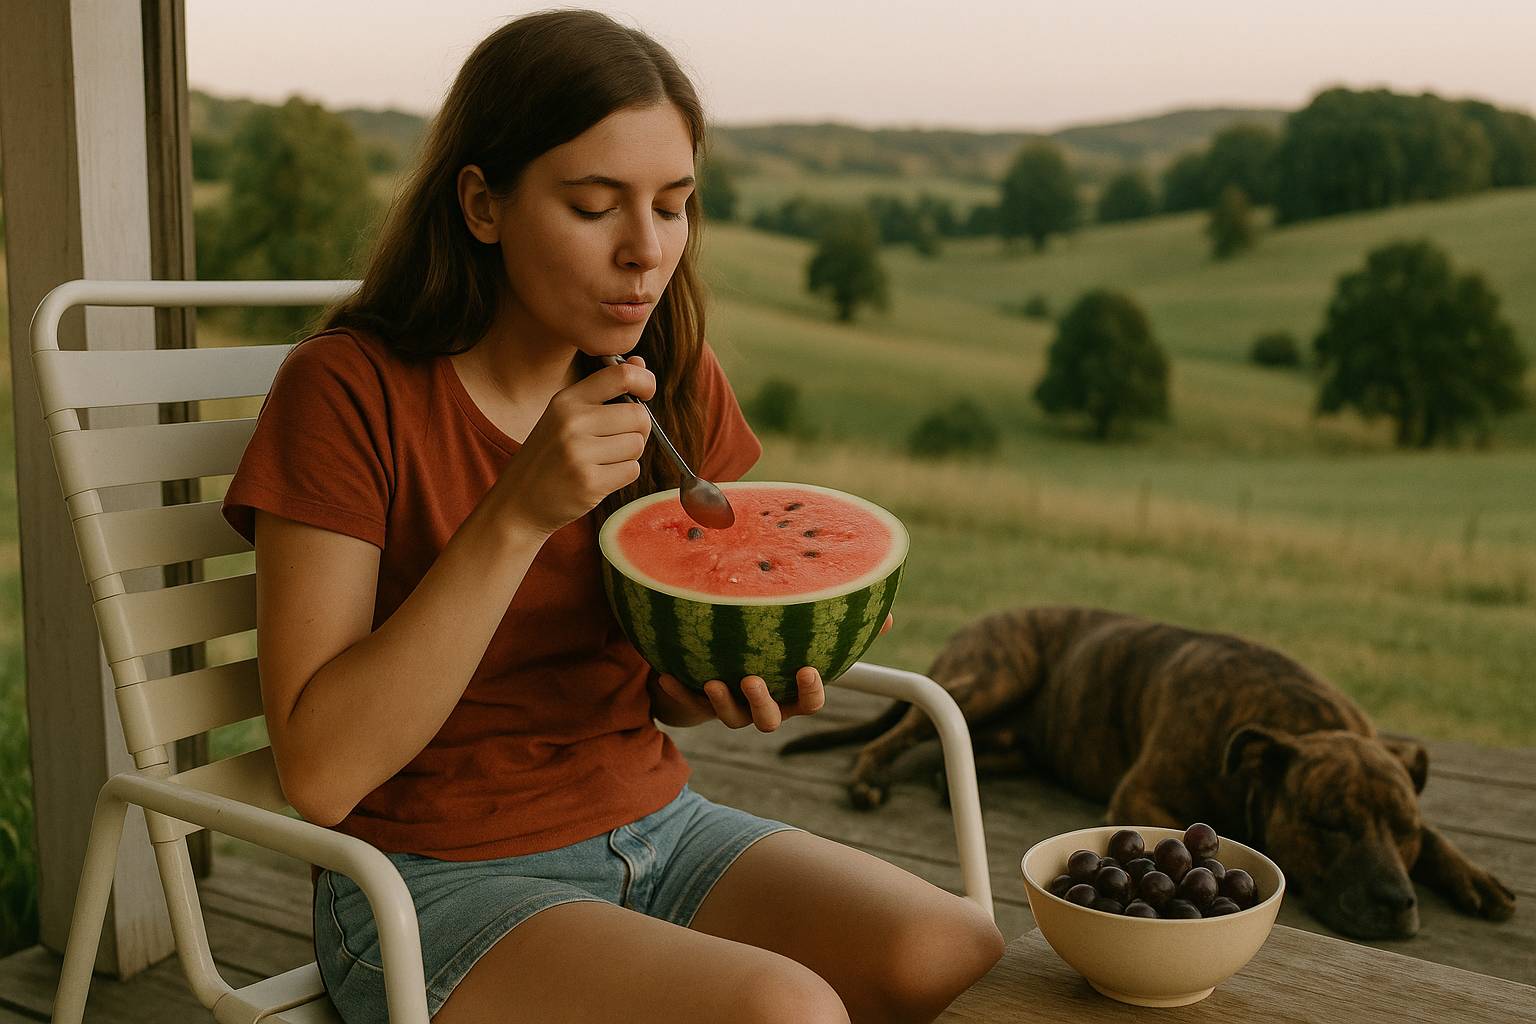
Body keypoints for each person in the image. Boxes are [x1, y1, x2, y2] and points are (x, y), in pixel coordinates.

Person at [221, 10, 1003, 1024]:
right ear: (483, 203)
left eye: (675, 206)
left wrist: (724, 675)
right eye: (596, 206)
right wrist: (514, 515)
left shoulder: (667, 381)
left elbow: (661, 683)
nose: (647, 251)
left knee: (952, 945)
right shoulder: (346, 391)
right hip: (427, 881)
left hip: (658, 827)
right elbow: (320, 773)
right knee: (785, 1010)